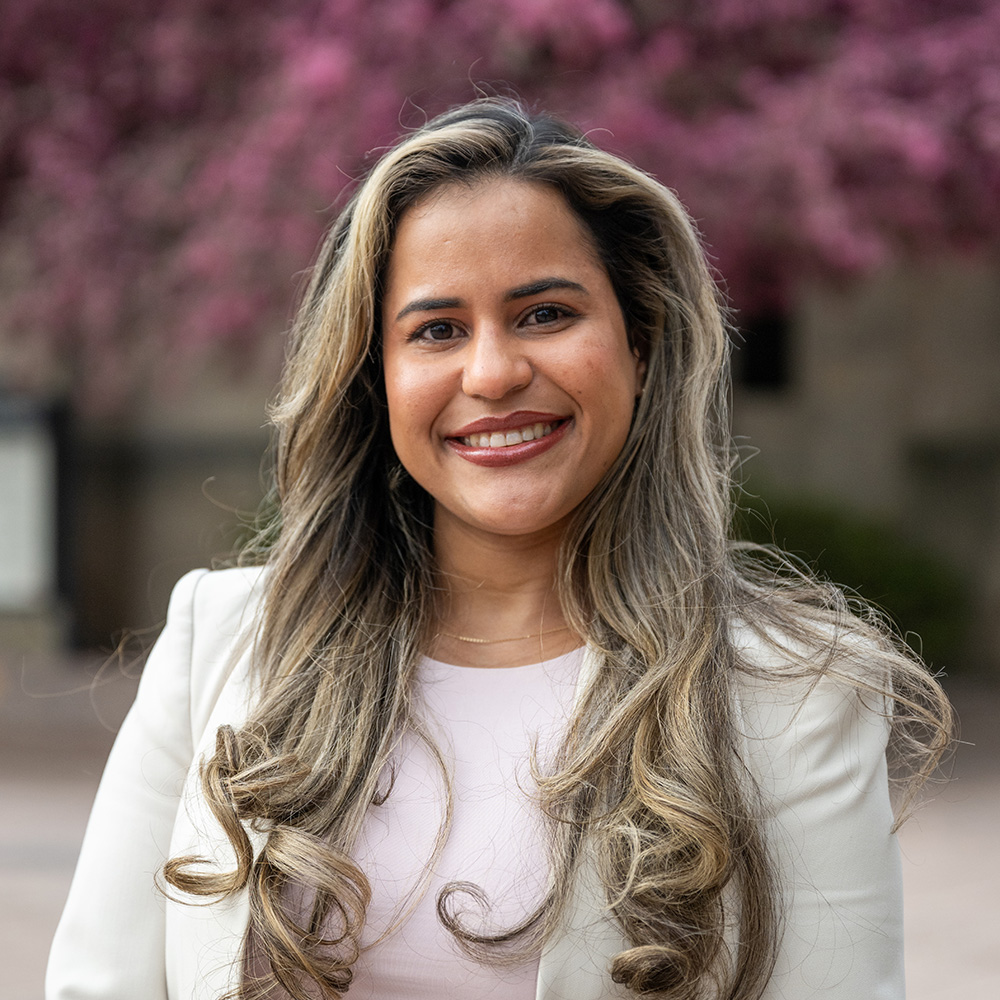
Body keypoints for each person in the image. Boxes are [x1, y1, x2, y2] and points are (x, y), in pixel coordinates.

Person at [47, 98, 952, 1000]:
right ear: (377, 378)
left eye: (546, 313)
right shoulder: (222, 640)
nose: (492, 374)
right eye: (436, 330)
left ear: (638, 339)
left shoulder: (795, 696)